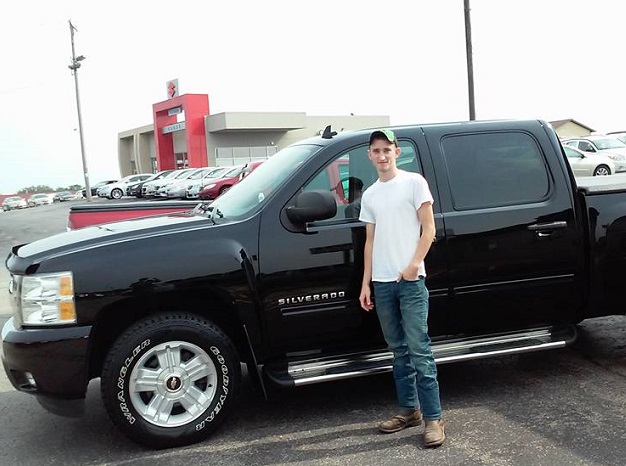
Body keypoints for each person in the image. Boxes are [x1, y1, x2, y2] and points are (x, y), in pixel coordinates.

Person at [358, 129, 446, 448]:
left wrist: (413, 266)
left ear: (397, 152)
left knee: (419, 349)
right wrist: (366, 283)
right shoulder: (370, 195)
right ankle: (409, 411)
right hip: (381, 285)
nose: (382, 156)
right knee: (398, 351)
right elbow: (370, 241)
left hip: (410, 281)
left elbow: (429, 228)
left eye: (387, 150)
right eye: (376, 151)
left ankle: (434, 418)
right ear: (370, 155)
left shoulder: (413, 183)